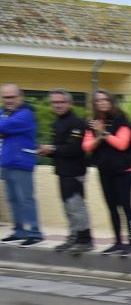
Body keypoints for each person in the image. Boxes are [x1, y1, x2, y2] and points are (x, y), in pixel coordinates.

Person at [83, 89, 131, 256]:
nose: (102, 103)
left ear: (111, 101)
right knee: (111, 207)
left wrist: (103, 134)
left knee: (126, 206)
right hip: (105, 171)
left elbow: (122, 144)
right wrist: (99, 136)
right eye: (98, 100)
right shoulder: (92, 123)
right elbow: (86, 146)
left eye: (105, 99)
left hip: (124, 171)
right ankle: (117, 242)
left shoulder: (122, 120)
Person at [39, 88, 93, 253]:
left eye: (61, 102)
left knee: (76, 206)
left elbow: (74, 148)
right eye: (55, 102)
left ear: (69, 103)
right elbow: (61, 150)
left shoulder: (76, 123)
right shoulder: (58, 122)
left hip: (75, 172)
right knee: (68, 207)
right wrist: (48, 152)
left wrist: (52, 149)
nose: (58, 105)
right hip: (63, 171)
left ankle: (85, 240)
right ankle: (73, 237)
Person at [0, 84, 42, 246]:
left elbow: (4, 126)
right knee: (13, 199)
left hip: (22, 162)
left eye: (11, 97)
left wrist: (5, 124)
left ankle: (35, 232)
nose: (8, 100)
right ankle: (19, 231)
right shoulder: (5, 113)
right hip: (7, 162)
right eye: (5, 97)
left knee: (26, 199)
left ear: (20, 97)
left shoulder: (26, 114)